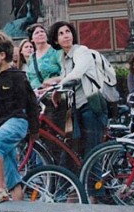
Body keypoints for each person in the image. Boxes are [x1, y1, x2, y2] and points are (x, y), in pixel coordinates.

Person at [0, 32, 39, 203]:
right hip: (0, 126)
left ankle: (0, 188)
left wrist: (34, 129)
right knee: (11, 172)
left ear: (2, 55)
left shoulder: (18, 77)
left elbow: (31, 103)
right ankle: (18, 205)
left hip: (17, 122)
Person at [46, 21, 108, 158]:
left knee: (92, 153)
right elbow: (66, 75)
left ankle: (96, 180)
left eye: (68, 32)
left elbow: (76, 74)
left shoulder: (82, 51)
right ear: (56, 40)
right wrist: (50, 85)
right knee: (75, 153)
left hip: (90, 106)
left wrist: (58, 88)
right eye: (61, 34)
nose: (66, 36)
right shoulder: (64, 58)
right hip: (76, 109)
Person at [26, 23, 66, 131]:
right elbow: (29, 78)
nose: (40, 34)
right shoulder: (31, 57)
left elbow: (66, 73)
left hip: (53, 98)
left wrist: (54, 80)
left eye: (42, 31)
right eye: (37, 33)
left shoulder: (56, 52)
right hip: (37, 99)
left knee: (52, 129)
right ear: (32, 39)